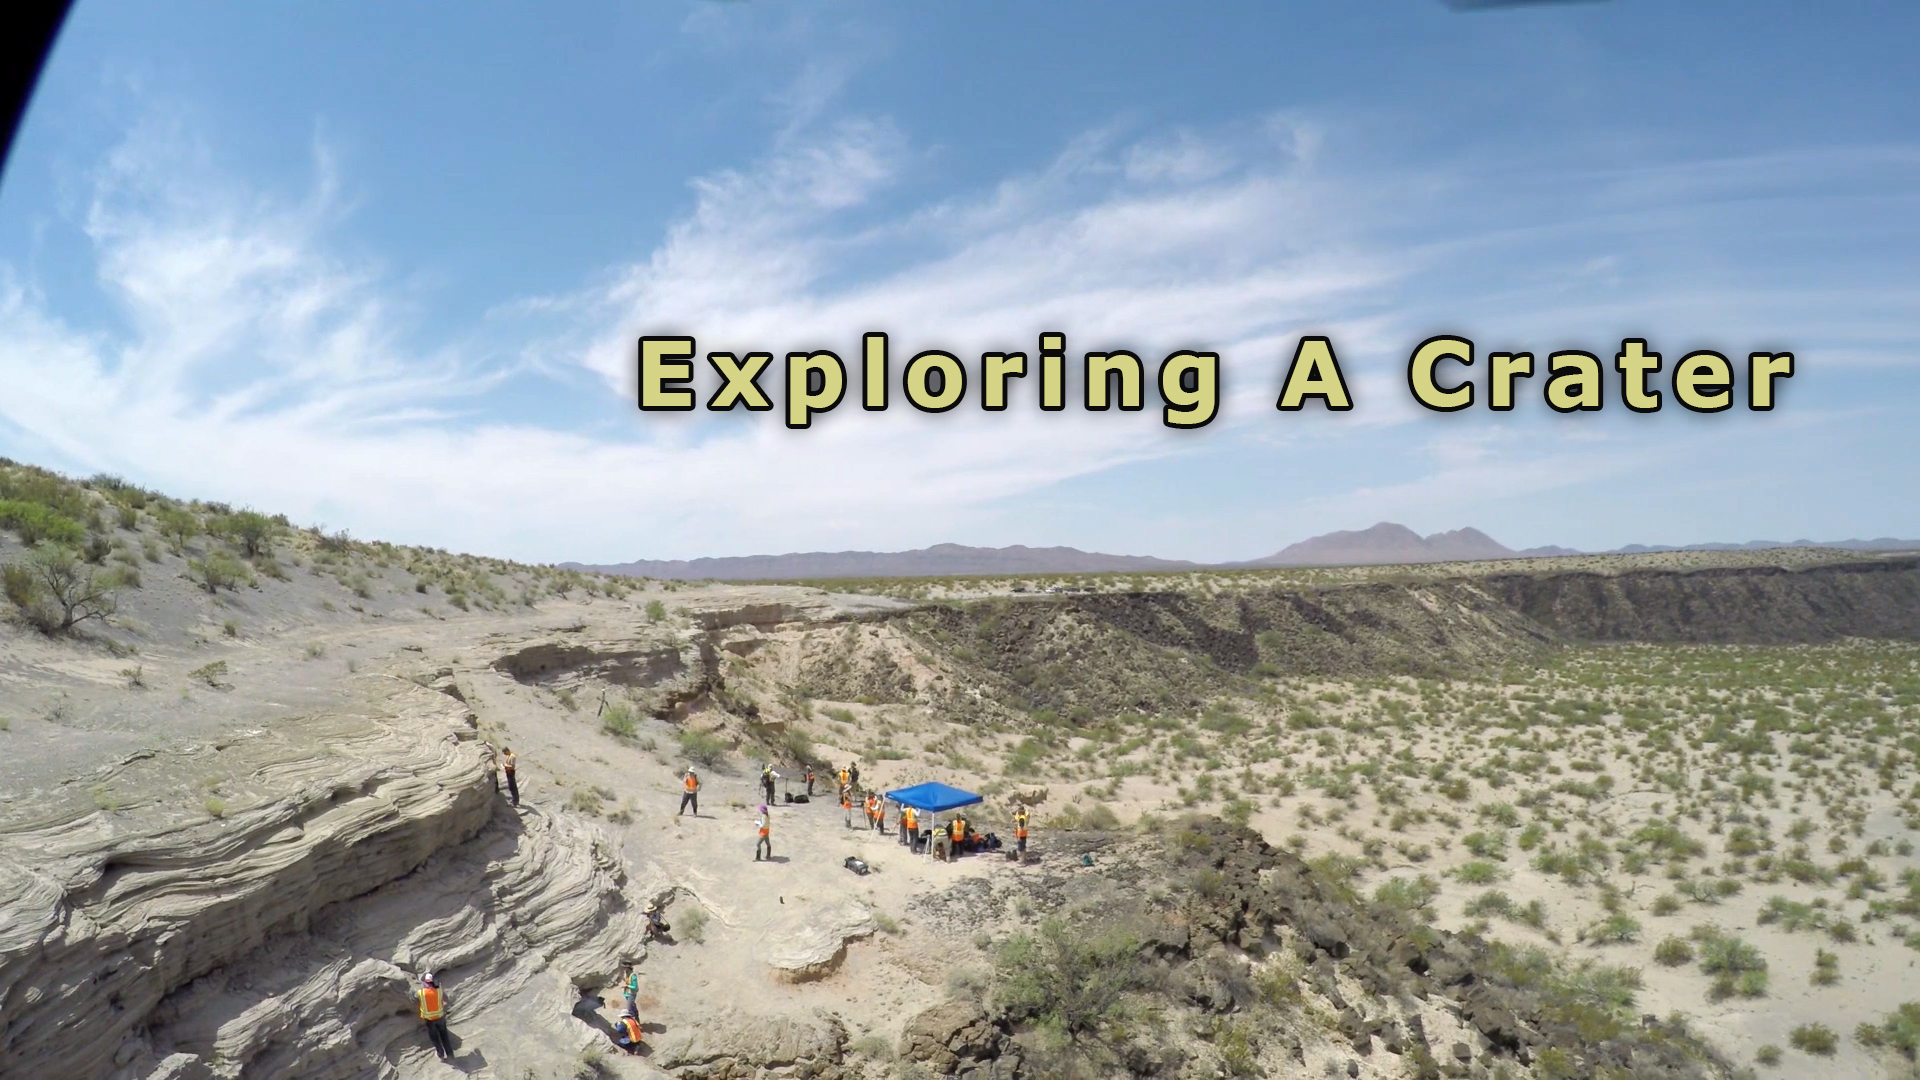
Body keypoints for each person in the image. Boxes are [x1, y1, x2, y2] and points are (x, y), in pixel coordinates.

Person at [416, 972, 452, 1061]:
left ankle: (441, 1055)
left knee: (435, 1038)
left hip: (430, 1020)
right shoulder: (439, 990)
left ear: (425, 982)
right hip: (440, 1017)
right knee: (445, 1037)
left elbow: (414, 997)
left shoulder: (421, 993)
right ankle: (450, 1054)